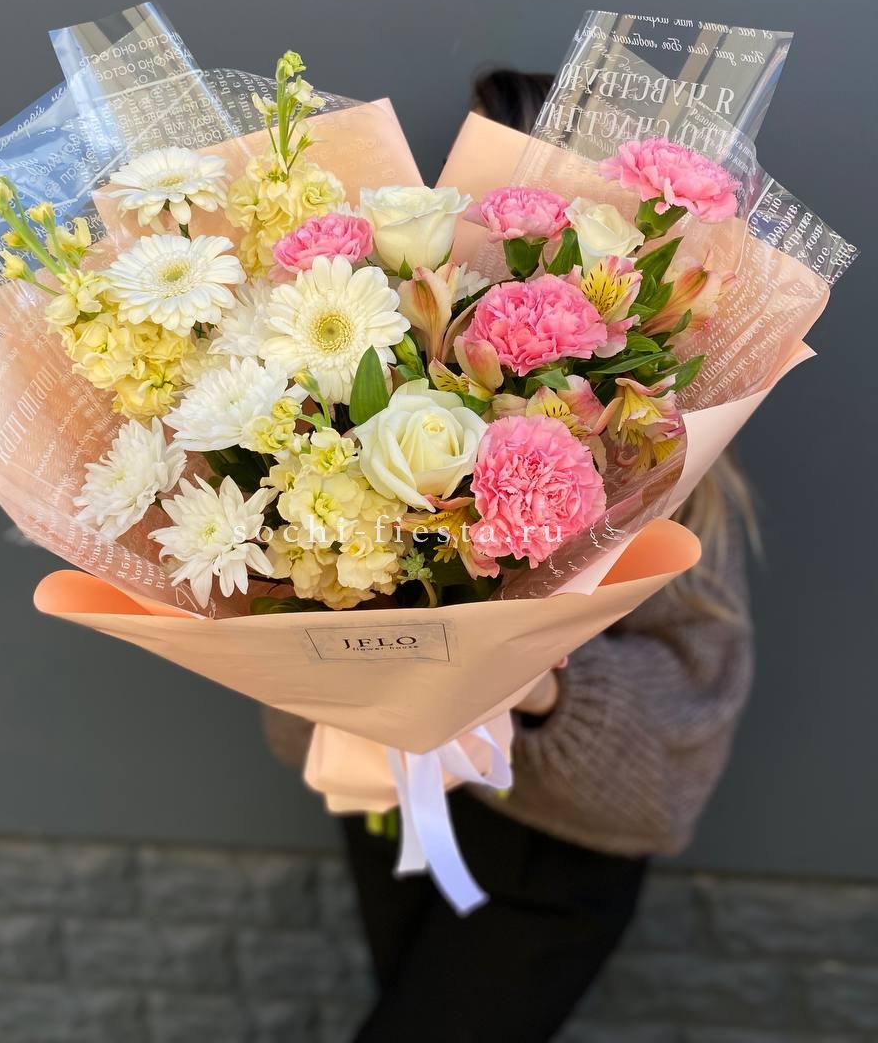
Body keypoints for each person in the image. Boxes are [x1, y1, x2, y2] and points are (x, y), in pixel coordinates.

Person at [264, 67, 755, 1042]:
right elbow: (288, 694)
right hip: (390, 816)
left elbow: (689, 723)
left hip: (553, 859)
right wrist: (350, 603)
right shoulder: (388, 385)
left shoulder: (660, 441)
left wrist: (537, 686)